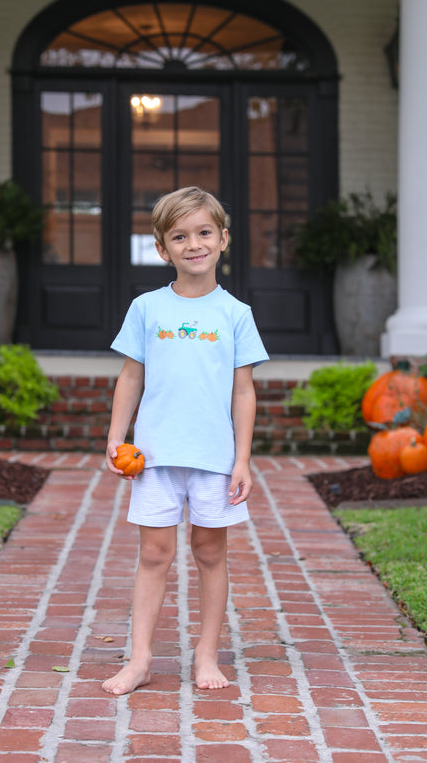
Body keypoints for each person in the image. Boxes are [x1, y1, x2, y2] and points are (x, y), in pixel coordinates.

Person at [102, 186, 268, 696]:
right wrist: (114, 438)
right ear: (161, 248)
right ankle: (141, 659)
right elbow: (131, 378)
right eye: (179, 236)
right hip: (154, 456)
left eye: (203, 233)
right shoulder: (147, 308)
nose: (192, 244)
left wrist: (242, 460)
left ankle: (205, 655)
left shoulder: (235, 313)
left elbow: (244, 390)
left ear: (223, 239)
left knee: (209, 552)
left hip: (214, 458)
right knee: (154, 554)